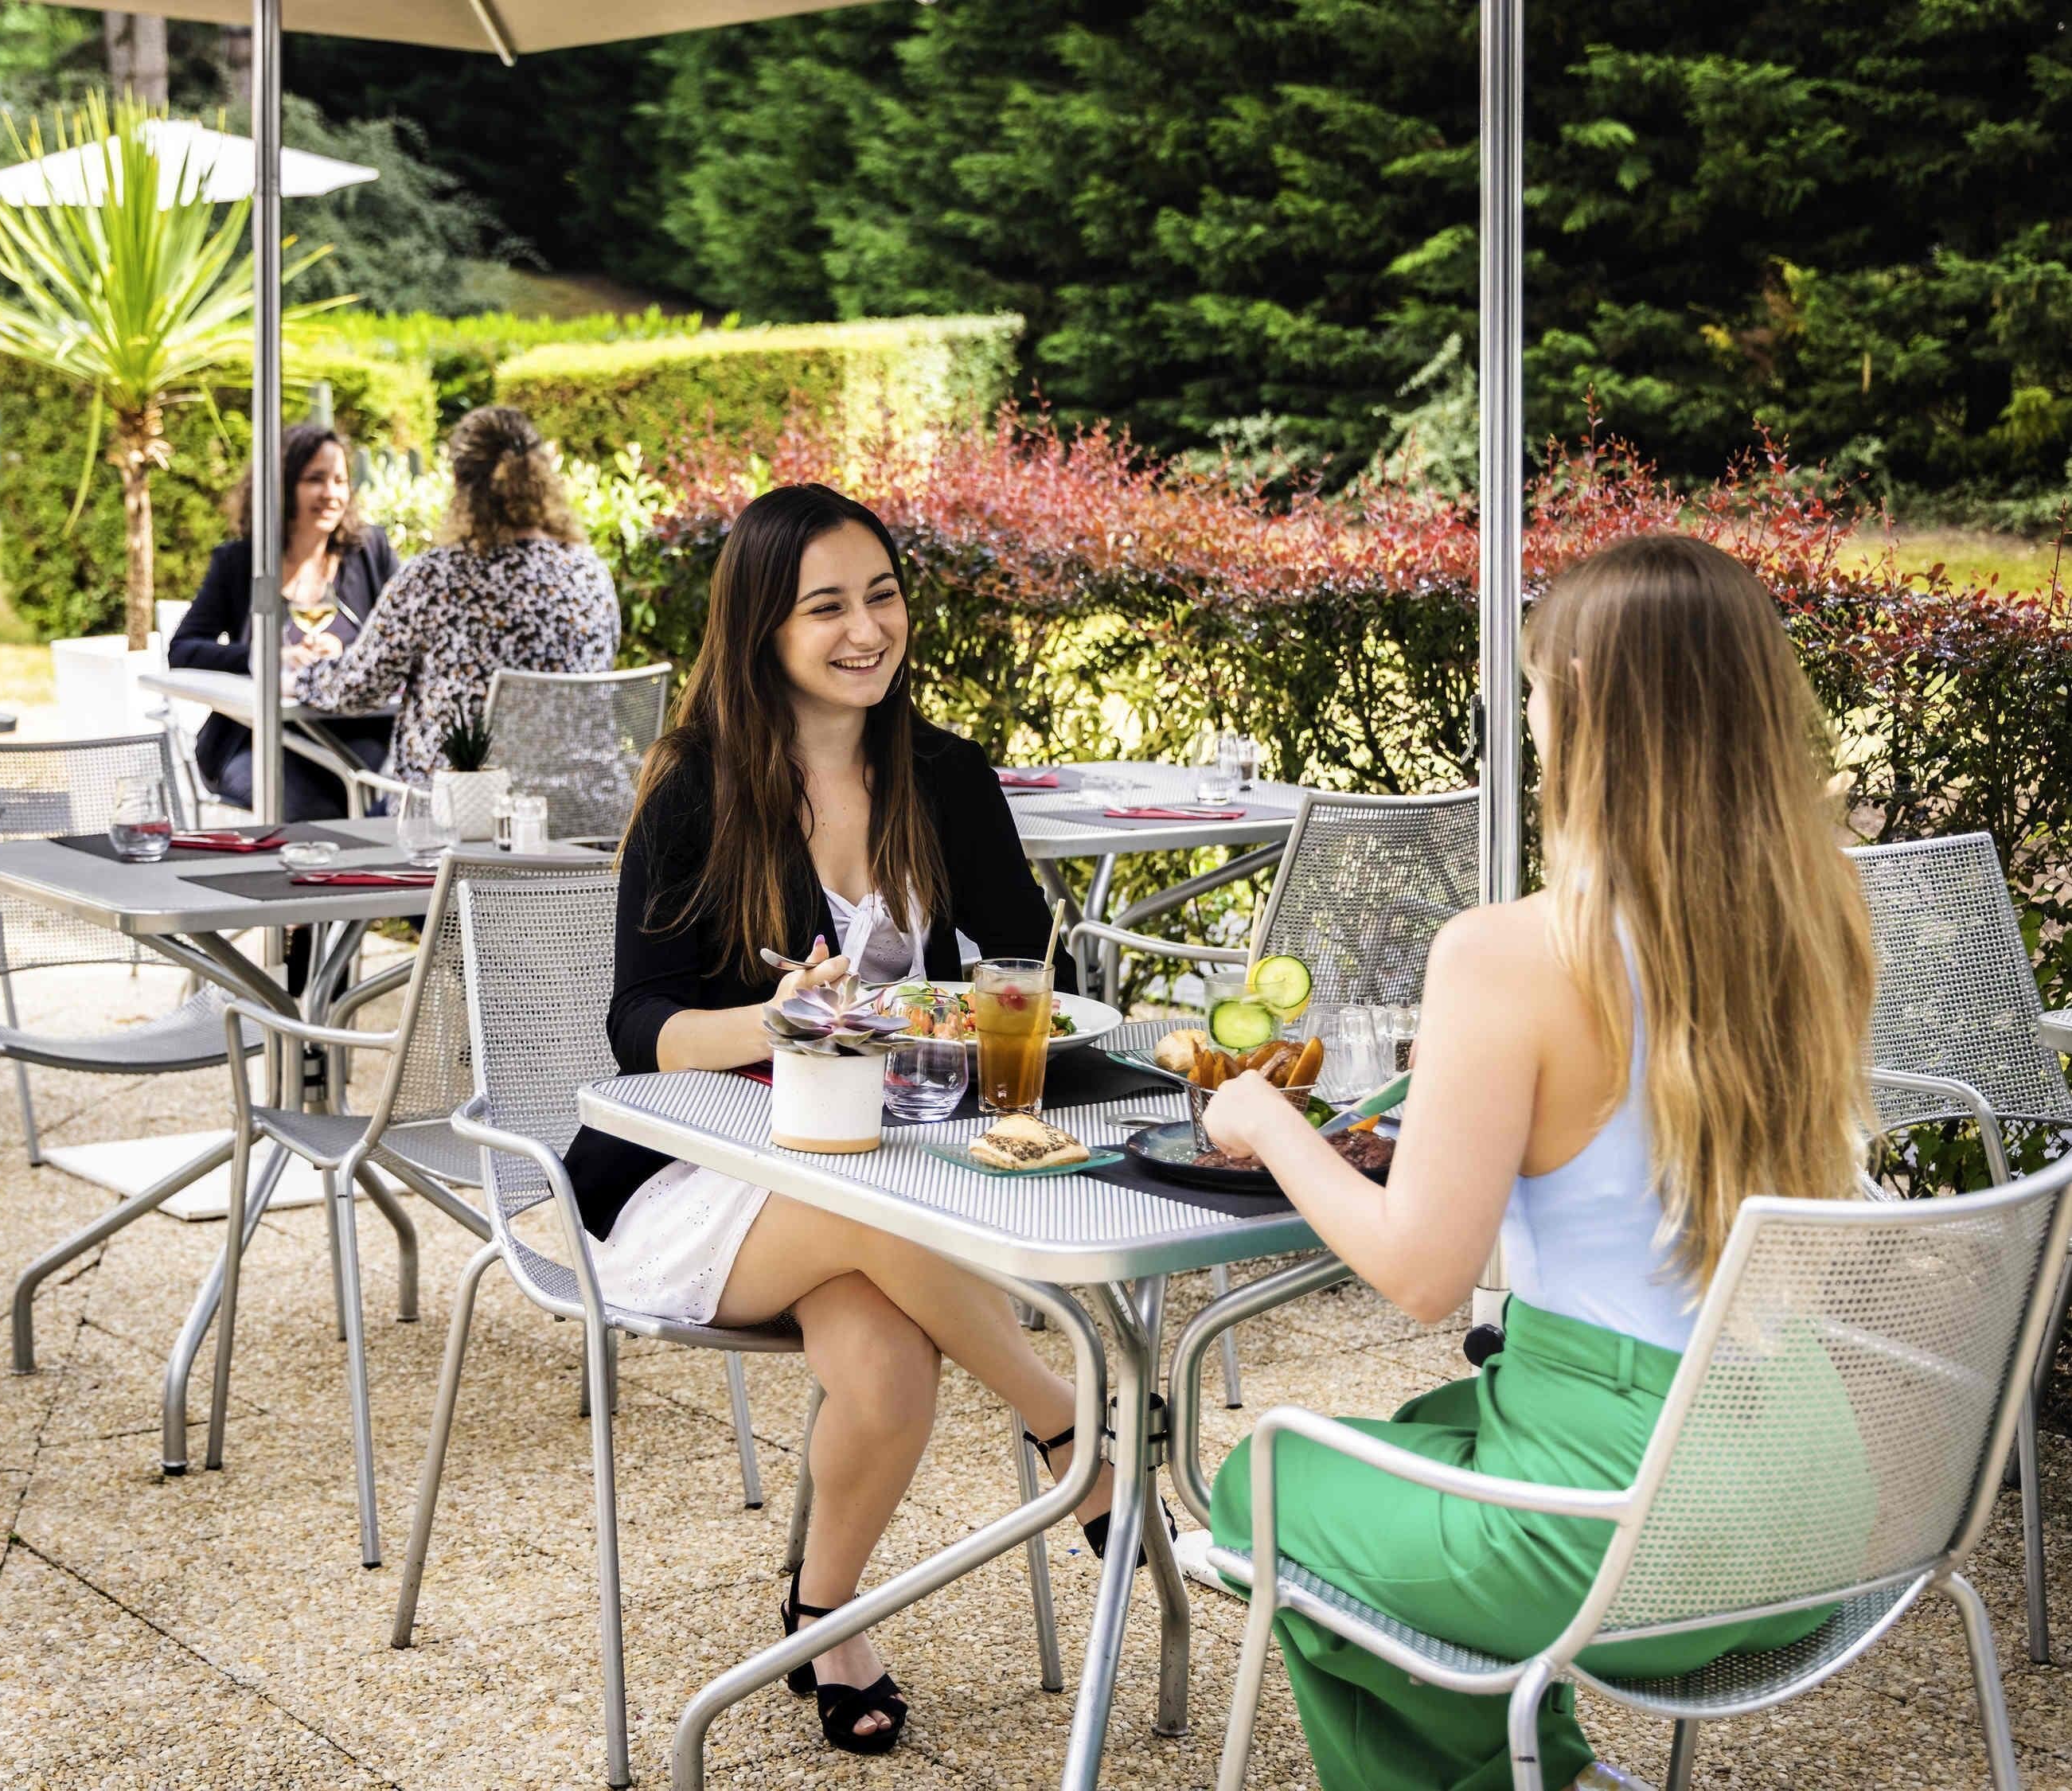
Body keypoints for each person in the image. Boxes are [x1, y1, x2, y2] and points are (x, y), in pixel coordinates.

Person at [1197, 533, 1879, 1791]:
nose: (1528, 719)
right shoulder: (1817, 916)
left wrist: (1265, 1117)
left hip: (1635, 1526)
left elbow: (1422, 1275)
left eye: (1534, 692)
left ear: (1584, 709)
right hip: (1813, 1510)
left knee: (1266, 1485)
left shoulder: (1510, 952)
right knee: (1423, 1440)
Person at [558, 482, 1120, 1758]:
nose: (866, 630)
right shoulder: (698, 789)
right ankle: (1069, 1429)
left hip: (880, 1158)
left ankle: (824, 1616)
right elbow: (638, 1025)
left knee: (888, 1367)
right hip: (700, 1169)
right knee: (876, 1201)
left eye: (882, 596)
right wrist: (776, 1019)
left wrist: (970, 1023)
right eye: (826, 607)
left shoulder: (944, 775)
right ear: (763, 627)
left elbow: (1026, 965)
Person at [293, 404, 618, 782]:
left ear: (459, 482)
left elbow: (357, 689)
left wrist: (301, 676)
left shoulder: (436, 578)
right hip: (579, 806)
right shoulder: (590, 573)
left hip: (462, 805)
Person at [168, 422, 399, 818]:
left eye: (340, 481)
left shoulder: (369, 551)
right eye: (315, 480)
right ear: (282, 486)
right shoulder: (240, 563)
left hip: (356, 736)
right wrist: (264, 659)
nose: (331, 494)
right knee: (307, 810)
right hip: (256, 740)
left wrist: (348, 652)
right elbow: (183, 650)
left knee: (376, 802)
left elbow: (403, 639)